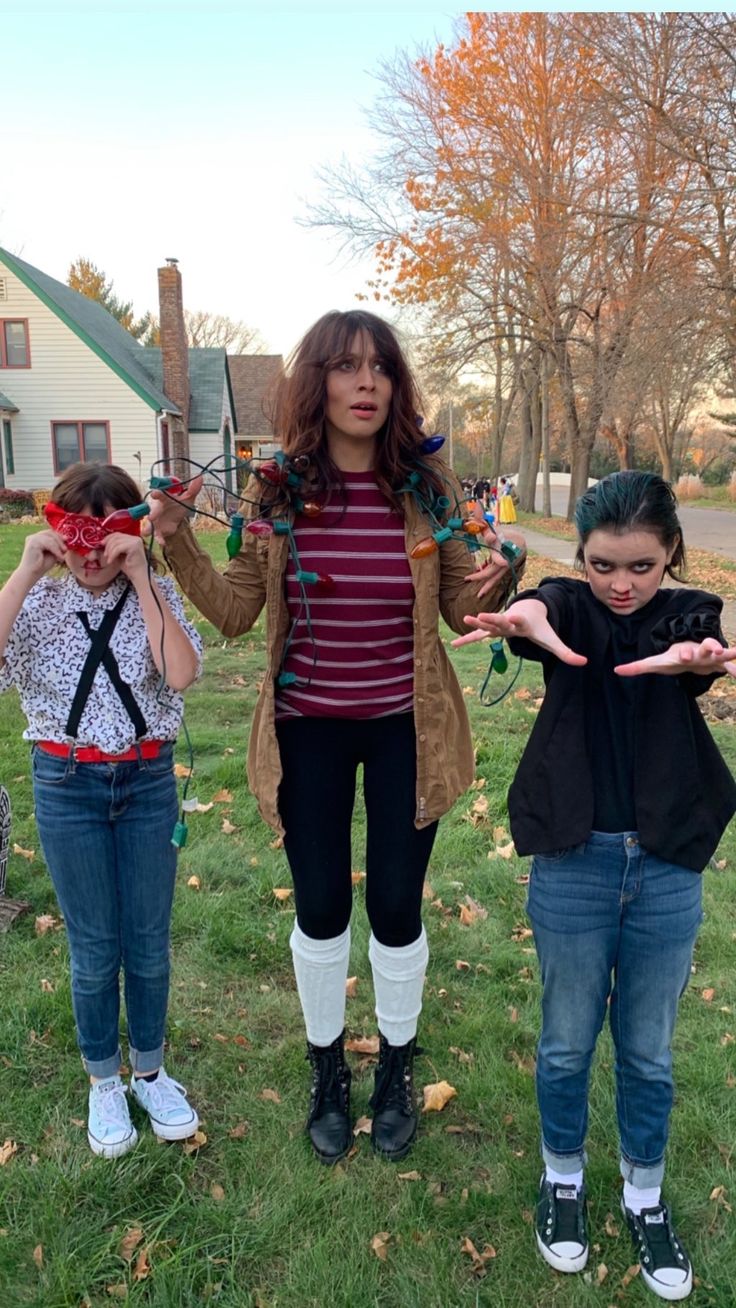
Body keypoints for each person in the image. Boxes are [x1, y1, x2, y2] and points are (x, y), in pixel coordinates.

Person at [149, 309, 526, 1166]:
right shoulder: (280, 490)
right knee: (321, 906)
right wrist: (175, 545)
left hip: (406, 728)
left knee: (394, 907)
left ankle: (395, 1066)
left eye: (379, 368)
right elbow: (239, 612)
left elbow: (464, 609)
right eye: (346, 367)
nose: (365, 383)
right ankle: (328, 1068)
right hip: (307, 730)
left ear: (395, 385)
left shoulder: (427, 487)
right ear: (316, 382)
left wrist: (501, 583)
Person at [454, 471, 736, 1302]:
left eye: (642, 567)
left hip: (665, 872)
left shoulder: (690, 617)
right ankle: (564, 1181)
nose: (622, 584)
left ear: (671, 555)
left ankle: (644, 1194)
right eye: (605, 565)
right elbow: (546, 608)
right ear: (582, 557)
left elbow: (698, 649)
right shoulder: (571, 607)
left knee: (648, 1052)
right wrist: (529, 619)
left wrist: (695, 660)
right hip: (573, 865)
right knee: (567, 1043)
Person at [0, 463, 203, 1158]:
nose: (92, 555)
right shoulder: (38, 606)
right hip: (67, 785)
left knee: (147, 942)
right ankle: (103, 1081)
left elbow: (178, 673)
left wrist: (143, 578)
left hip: (146, 784)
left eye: (107, 535)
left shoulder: (159, 592)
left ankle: (149, 1068)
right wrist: (27, 570)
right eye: (77, 536)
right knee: (93, 949)